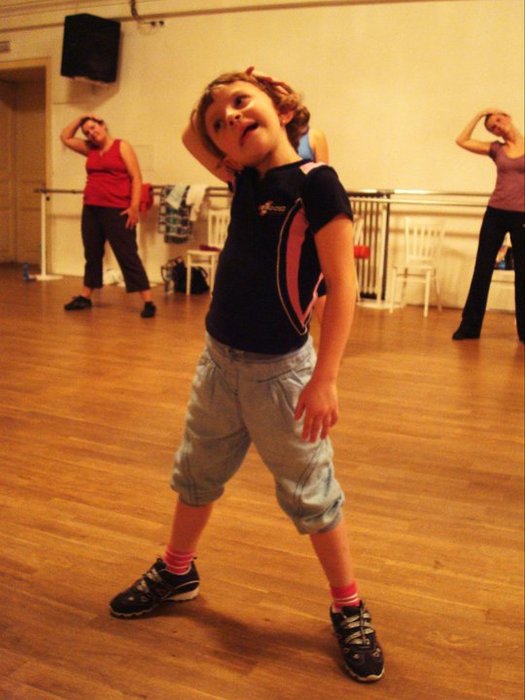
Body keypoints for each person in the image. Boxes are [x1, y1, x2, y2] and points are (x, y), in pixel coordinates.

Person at [109, 68, 384, 683]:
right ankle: (178, 569)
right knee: (196, 473)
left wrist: (326, 378)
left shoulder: (317, 183)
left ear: (282, 108)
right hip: (217, 364)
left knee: (311, 493)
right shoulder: (243, 178)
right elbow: (190, 135)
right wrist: (226, 98)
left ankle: (348, 605)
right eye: (221, 121)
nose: (230, 118)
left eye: (241, 104)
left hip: (282, 377)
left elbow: (343, 287)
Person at [60, 115, 156, 318]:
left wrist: (134, 207)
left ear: (103, 125)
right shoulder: (90, 149)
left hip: (117, 209)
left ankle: (148, 302)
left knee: (127, 254)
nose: (91, 133)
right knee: (92, 253)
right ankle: (85, 296)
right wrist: (81, 117)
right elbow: (65, 137)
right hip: (91, 208)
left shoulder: (122, 146)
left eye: (93, 127)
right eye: (87, 132)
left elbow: (136, 177)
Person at [452, 109, 524, 342]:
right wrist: (480, 114)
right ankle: (469, 327)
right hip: (495, 213)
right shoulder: (496, 149)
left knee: (523, 273)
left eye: (499, 121)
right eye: (493, 127)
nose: (497, 126)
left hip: (522, 216)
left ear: (508, 117)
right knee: (482, 269)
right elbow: (462, 140)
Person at [297, 121, 330, 323]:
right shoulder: (275, 138)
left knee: (319, 282)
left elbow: (322, 180)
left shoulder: (314, 135)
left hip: (308, 218)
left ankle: (332, 338)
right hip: (283, 219)